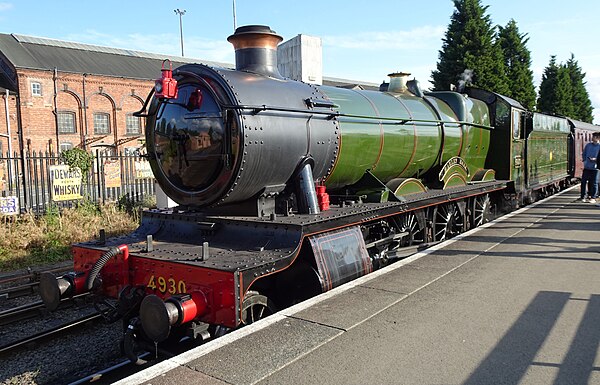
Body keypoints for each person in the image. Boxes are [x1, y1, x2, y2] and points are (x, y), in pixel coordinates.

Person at [580, 132, 600, 203]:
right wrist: (585, 160)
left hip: (595, 168)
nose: (593, 138)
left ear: (598, 138)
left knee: (594, 182)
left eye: (594, 137)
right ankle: (583, 196)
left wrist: (596, 160)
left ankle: (593, 197)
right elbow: (584, 153)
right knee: (583, 182)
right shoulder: (588, 145)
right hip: (587, 167)